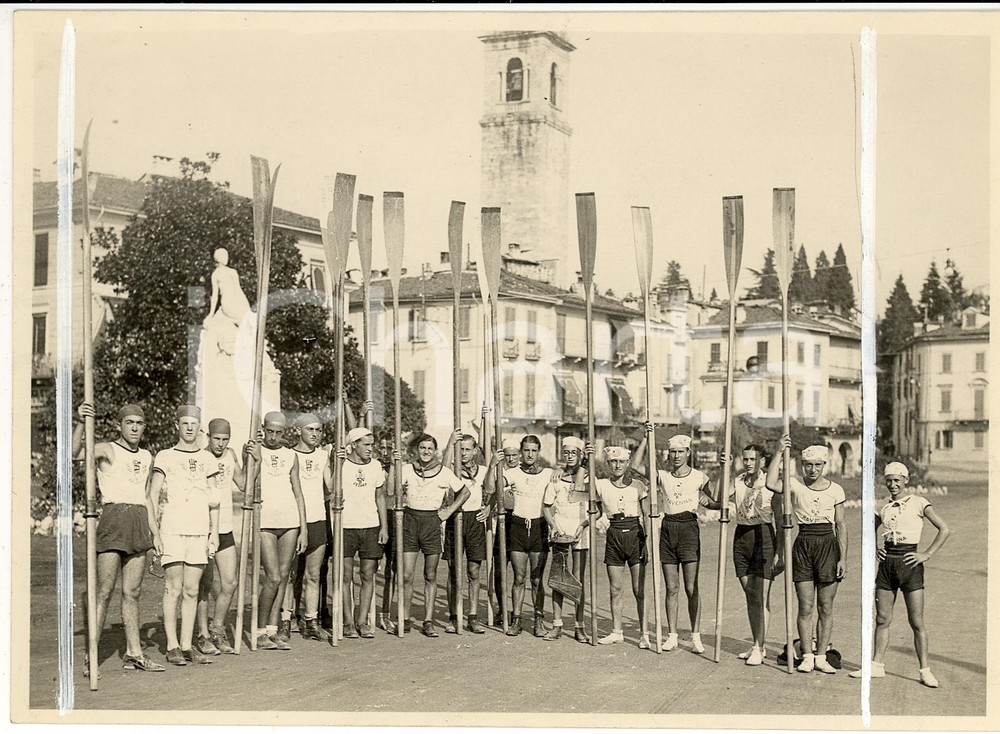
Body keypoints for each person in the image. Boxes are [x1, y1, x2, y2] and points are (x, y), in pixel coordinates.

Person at [72, 402, 164, 674]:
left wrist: (155, 532)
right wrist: (80, 422)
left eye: (139, 423)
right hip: (114, 519)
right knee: (104, 592)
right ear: (120, 425)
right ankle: (92, 657)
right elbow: (74, 454)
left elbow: (146, 495)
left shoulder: (147, 455)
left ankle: (135, 653)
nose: (134, 427)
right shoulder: (108, 449)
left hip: (138, 520)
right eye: (129, 422)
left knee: (132, 593)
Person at [850, 462, 950, 688]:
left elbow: (945, 529)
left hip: (910, 564)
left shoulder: (919, 502)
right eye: (889, 480)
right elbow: (868, 528)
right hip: (887, 565)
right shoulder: (882, 506)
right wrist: (876, 545)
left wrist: (927, 554)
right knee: (882, 618)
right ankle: (876, 666)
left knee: (916, 621)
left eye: (897, 480)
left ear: (906, 480)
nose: (893, 485)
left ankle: (925, 670)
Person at [766, 437, 847, 674]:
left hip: (827, 545)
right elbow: (771, 483)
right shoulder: (795, 484)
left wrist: (843, 558)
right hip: (803, 544)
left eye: (817, 465)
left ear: (824, 465)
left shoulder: (836, 489)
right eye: (808, 465)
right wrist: (779, 451)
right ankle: (808, 656)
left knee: (825, 606)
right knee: (805, 606)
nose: (812, 470)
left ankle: (821, 656)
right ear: (802, 466)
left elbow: (841, 526)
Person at [147, 405, 221, 666]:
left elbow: (215, 500)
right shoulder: (165, 456)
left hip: (199, 530)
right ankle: (172, 646)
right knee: (173, 588)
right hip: (173, 529)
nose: (189, 428)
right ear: (176, 426)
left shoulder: (208, 459)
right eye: (184, 423)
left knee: (192, 590)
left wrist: (214, 534)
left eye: (194, 424)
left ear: (199, 427)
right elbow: (152, 495)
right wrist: (155, 530)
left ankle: (188, 645)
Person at [632, 430, 715, 653]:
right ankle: (672, 635)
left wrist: (712, 502)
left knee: (690, 587)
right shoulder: (663, 476)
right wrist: (646, 439)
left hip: (689, 529)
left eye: (680, 452)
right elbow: (634, 466)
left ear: (688, 452)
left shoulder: (700, 477)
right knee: (671, 587)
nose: (676, 456)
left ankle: (696, 636)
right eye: (673, 452)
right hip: (667, 529)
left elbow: (714, 502)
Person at [391, 433, 470, 636]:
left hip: (432, 524)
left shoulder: (444, 472)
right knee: (407, 575)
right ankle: (405, 618)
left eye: (429, 448)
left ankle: (427, 621)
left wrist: (449, 511)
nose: (426, 452)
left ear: (435, 451)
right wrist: (394, 465)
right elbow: (391, 490)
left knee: (430, 574)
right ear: (416, 450)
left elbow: (465, 492)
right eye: (422, 448)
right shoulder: (408, 469)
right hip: (410, 522)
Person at [245, 411, 308, 650]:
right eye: (269, 431)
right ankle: (259, 630)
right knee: (271, 577)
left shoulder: (290, 455)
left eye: (278, 432)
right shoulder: (254, 449)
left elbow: (299, 493)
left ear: (284, 432)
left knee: (283, 578)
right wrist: (254, 459)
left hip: (290, 520)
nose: (273, 436)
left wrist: (303, 529)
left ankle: (273, 630)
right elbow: (245, 485)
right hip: (265, 521)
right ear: (263, 428)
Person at [722, 444, 783, 666]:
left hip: (764, 535)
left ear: (763, 462)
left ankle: (759, 645)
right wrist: (725, 468)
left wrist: (780, 552)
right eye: (745, 459)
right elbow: (720, 497)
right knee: (750, 594)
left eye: (753, 459)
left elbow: (780, 519)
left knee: (760, 595)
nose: (748, 463)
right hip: (742, 536)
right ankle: (757, 645)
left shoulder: (771, 483)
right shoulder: (738, 481)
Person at [278, 414, 332, 642]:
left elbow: (331, 487)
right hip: (292, 520)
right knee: (290, 575)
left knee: (313, 574)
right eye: (310, 429)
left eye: (318, 430)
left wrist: (337, 464)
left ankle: (310, 621)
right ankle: (285, 620)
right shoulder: (288, 455)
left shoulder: (322, 456)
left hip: (317, 520)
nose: (315, 434)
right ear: (299, 431)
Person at [194, 418, 246, 655]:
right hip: (202, 529)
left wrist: (251, 459)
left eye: (225, 439)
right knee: (204, 585)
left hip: (224, 528)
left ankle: (217, 629)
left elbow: (244, 484)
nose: (221, 444)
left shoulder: (230, 455)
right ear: (208, 436)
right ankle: (203, 635)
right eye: (217, 439)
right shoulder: (199, 457)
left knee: (230, 582)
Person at [592, 445, 650, 648]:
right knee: (615, 588)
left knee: (638, 589)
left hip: (635, 534)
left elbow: (647, 515)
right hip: (614, 533)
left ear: (627, 464)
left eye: (621, 462)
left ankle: (644, 633)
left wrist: (648, 540)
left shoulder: (638, 485)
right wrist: (587, 458)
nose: (617, 465)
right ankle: (617, 631)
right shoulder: (601, 485)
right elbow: (583, 492)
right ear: (608, 464)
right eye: (613, 462)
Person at [338, 426, 390, 639]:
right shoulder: (342, 465)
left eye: (371, 444)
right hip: (346, 526)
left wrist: (384, 527)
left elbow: (380, 497)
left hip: (370, 526)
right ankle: (348, 622)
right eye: (366, 445)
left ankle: (362, 621)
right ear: (354, 445)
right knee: (346, 575)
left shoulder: (376, 466)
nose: (370, 448)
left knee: (368, 574)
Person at [444, 433, 497, 634]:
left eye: (467, 449)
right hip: (455, 517)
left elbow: (492, 490)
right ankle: (453, 615)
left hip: (475, 521)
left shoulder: (483, 470)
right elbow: (443, 465)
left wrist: (489, 507)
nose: (464, 453)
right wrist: (450, 444)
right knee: (453, 570)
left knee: (474, 571)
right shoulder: (451, 470)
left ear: (475, 451)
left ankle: (473, 616)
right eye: (461, 449)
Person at [540, 436, 591, 643]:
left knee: (577, 579)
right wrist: (553, 526)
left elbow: (593, 509)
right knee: (559, 579)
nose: (570, 457)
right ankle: (557, 624)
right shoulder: (556, 478)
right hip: (560, 532)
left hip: (581, 532)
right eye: (567, 453)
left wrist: (583, 526)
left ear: (580, 455)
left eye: (574, 453)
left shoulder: (588, 479)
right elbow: (546, 507)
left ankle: (579, 626)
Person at [504, 435, 554, 637]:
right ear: (521, 451)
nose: (530, 454)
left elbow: (572, 478)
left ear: (539, 452)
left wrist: (561, 471)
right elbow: (490, 487)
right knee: (518, 578)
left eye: (534, 450)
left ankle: (538, 621)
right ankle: (516, 621)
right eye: (526, 450)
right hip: (517, 527)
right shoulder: (513, 473)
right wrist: (493, 463)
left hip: (538, 528)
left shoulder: (549, 474)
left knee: (536, 579)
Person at [491, 436, 521, 626]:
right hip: (503, 520)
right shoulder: (499, 472)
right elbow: (494, 493)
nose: (511, 459)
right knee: (500, 569)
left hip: (520, 520)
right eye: (507, 455)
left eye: (514, 455)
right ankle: (502, 610)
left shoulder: (524, 471)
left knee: (520, 571)